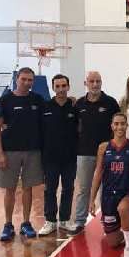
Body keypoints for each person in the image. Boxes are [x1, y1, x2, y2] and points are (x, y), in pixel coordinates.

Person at [0, 67, 44, 241]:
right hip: (10, 151)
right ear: (17, 79)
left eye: (30, 80)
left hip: (32, 151)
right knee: (10, 189)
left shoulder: (37, 99)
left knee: (28, 188)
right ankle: (8, 225)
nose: (27, 83)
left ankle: (26, 223)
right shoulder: (5, 100)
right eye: (24, 79)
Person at [72, 71, 120, 236]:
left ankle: (107, 220)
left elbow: (118, 127)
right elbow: (74, 126)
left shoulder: (111, 103)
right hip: (84, 153)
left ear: (101, 82)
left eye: (98, 81)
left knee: (106, 189)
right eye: (91, 81)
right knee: (83, 188)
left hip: (107, 154)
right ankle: (79, 221)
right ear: (86, 83)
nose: (95, 84)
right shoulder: (79, 104)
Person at [89, 113, 129, 257]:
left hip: (128, 192)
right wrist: (92, 200)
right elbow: (98, 173)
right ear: (112, 126)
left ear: (127, 126)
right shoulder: (103, 147)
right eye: (116, 124)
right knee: (112, 243)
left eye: (122, 123)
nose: (119, 127)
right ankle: (127, 226)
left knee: (123, 208)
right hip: (109, 196)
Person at [38, 74, 78, 236]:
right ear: (53, 88)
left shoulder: (75, 107)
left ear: (68, 87)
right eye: (58, 86)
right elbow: (39, 131)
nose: (61, 89)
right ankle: (50, 221)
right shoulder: (45, 107)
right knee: (50, 190)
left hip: (70, 158)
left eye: (64, 86)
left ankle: (64, 219)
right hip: (50, 158)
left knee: (68, 189)